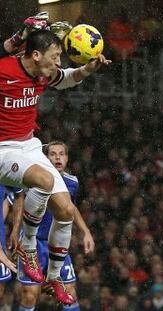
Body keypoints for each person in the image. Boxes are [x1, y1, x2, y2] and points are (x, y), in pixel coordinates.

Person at [0, 14, 111, 305]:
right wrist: (17, 37)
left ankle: (53, 276)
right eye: (55, 55)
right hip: (2, 150)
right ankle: (28, 248)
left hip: (29, 147)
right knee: (46, 180)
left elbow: (67, 80)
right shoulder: (4, 70)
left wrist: (88, 68)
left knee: (65, 209)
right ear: (35, 55)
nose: (59, 61)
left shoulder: (42, 73)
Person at [18, 141, 95, 311]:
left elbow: (71, 208)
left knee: (70, 293)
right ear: (45, 157)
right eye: (53, 154)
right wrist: (14, 234)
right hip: (33, 243)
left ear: (67, 158)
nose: (58, 157)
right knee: (30, 294)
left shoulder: (72, 182)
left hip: (56, 245)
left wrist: (86, 232)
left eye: (62, 153)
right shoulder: (34, 177)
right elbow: (18, 202)